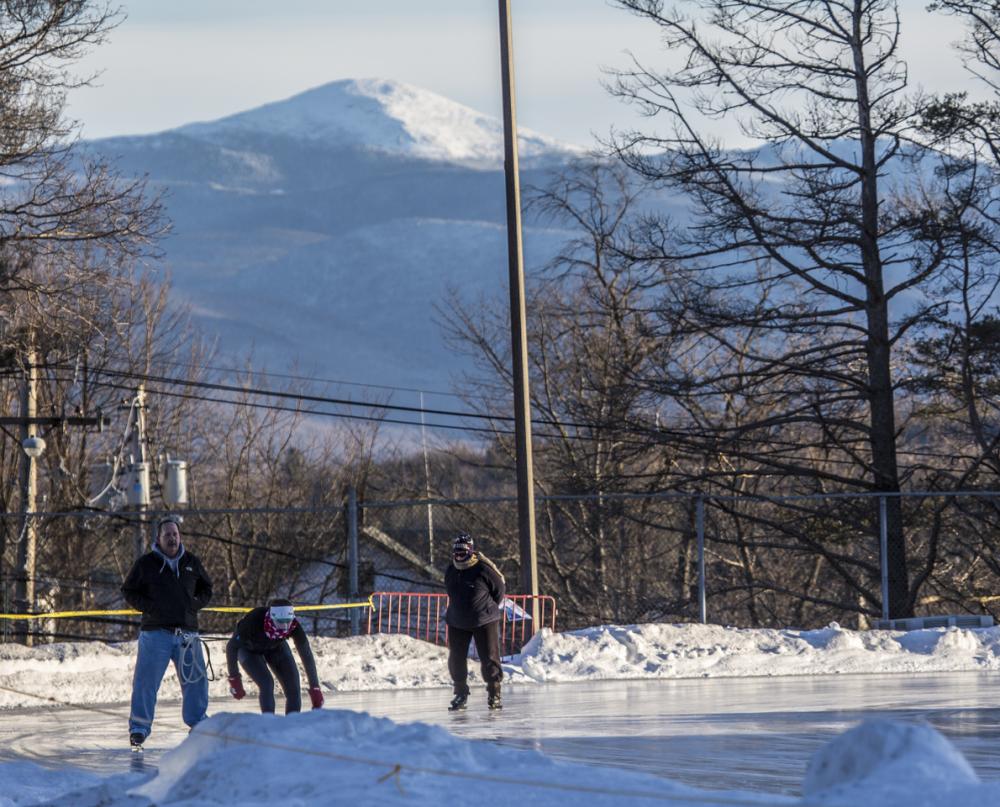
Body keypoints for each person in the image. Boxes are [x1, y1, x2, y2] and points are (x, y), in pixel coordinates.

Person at [121, 515, 213, 749]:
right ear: (159, 539)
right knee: (146, 683)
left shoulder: (192, 561)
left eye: (175, 534)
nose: (172, 538)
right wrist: (150, 607)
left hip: (187, 634)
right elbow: (129, 590)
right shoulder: (146, 564)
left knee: (196, 681)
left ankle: (198, 723)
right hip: (156, 634)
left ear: (179, 537)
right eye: (167, 535)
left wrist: (193, 605)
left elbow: (207, 588)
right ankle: (139, 730)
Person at [225, 598, 325, 714]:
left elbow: (306, 654)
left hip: (276, 648)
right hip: (249, 650)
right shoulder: (253, 620)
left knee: (293, 688)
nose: (285, 627)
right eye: (281, 622)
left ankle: (292, 724)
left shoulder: (294, 626)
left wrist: (315, 687)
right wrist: (234, 678)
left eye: (288, 621)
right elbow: (231, 647)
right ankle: (269, 722)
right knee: (267, 684)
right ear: (271, 618)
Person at [444, 532, 505, 711]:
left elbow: (499, 591)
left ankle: (494, 693)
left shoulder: (483, 569)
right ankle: (460, 694)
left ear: (471, 551)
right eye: (456, 552)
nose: (459, 556)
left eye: (463, 552)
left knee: (489, 658)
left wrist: (485, 609)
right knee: (456, 658)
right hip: (457, 620)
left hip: (484, 620)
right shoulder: (451, 569)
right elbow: (450, 589)